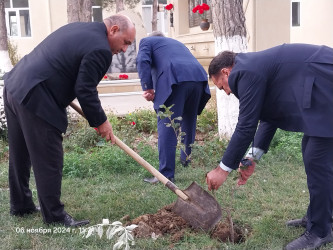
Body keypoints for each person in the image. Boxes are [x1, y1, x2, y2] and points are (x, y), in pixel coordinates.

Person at [3, 14, 136, 226]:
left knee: (20, 153)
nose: (124, 50)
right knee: (49, 158)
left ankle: (21, 205)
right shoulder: (101, 49)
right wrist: (101, 122)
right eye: (125, 42)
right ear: (114, 30)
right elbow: (85, 89)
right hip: (36, 95)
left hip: (15, 85)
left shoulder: (79, 28)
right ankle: (54, 217)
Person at [205, 44, 333, 250]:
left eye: (222, 87)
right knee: (313, 153)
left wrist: (223, 169)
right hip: (322, 84)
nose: (227, 93)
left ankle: (320, 231)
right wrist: (251, 158)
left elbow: (246, 125)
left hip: (326, 79)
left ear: (226, 72)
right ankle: (317, 217)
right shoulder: (252, 68)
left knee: (317, 159)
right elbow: (268, 118)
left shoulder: (243, 72)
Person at [136, 31, 211, 184]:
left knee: (167, 123)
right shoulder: (175, 43)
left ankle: (166, 174)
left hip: (176, 78)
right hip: (198, 78)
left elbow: (142, 60)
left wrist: (147, 87)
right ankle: (186, 159)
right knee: (189, 119)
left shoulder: (147, 41)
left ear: (152, 38)